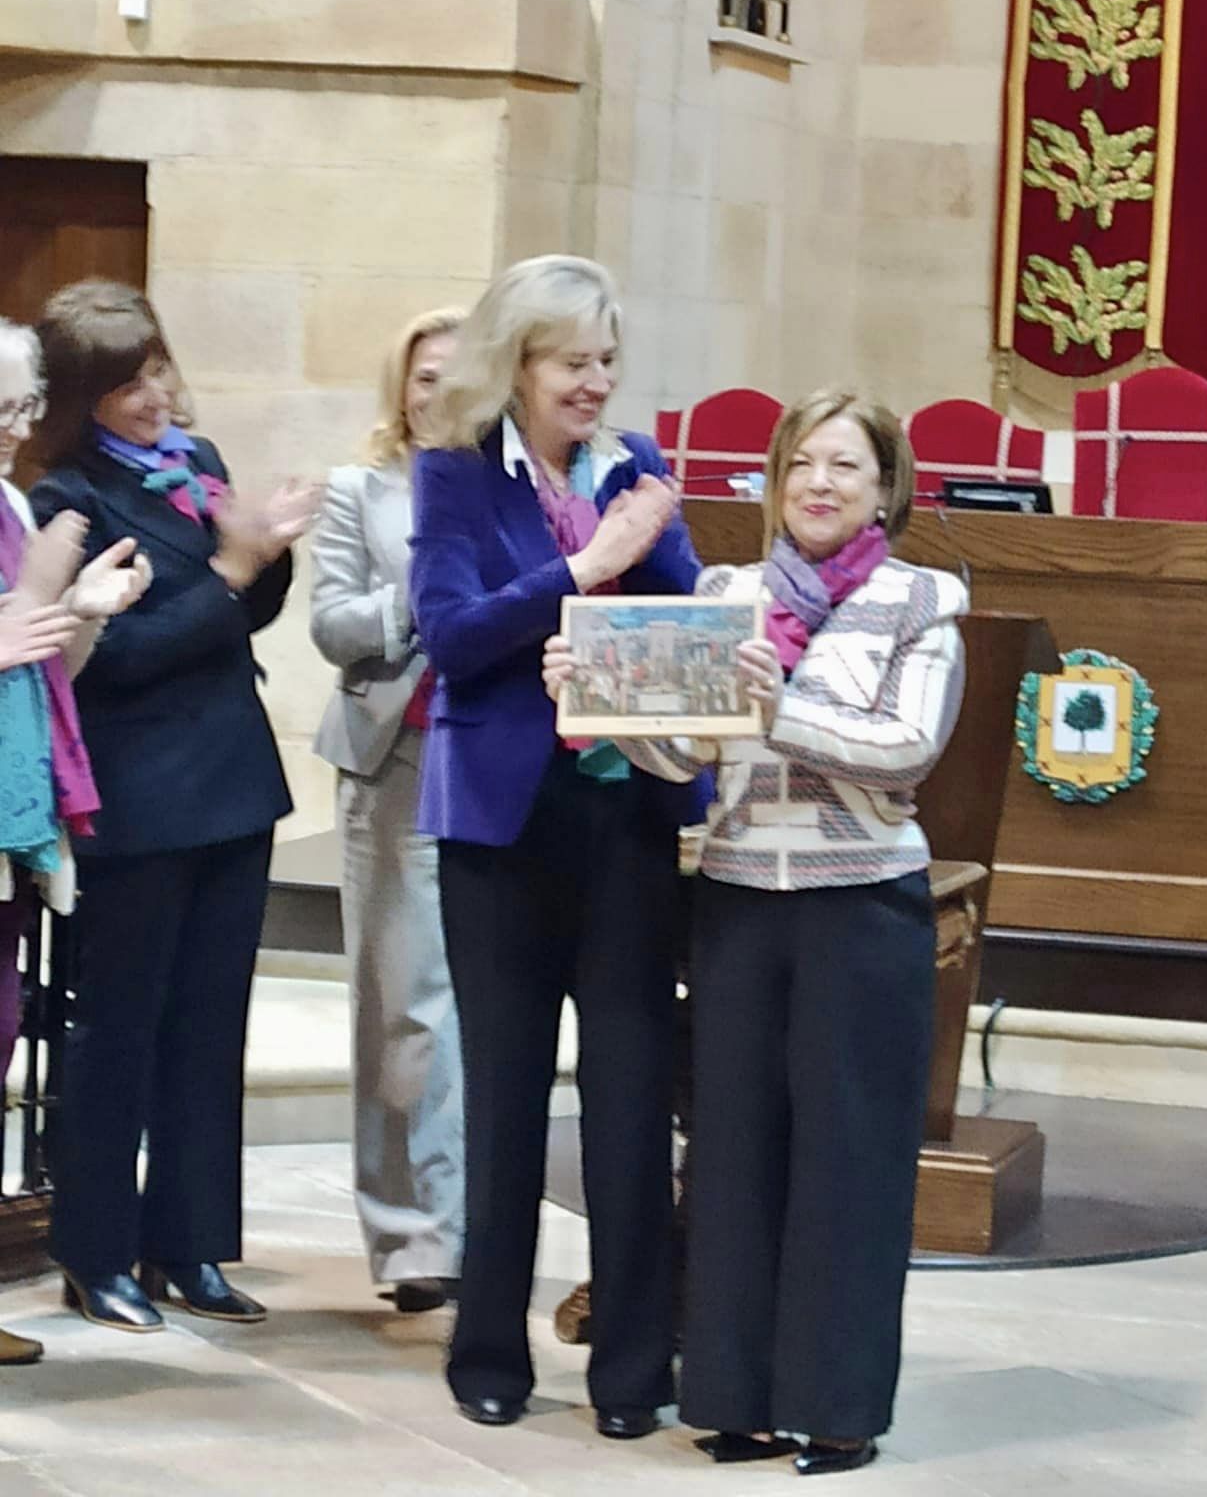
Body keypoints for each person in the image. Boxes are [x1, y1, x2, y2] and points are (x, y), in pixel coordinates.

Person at [548, 389, 967, 1476]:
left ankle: (835, 1408)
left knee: (850, 1163)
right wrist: (602, 706)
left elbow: (906, 748)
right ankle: (730, 1394)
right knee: (731, 1157)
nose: (819, 484)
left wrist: (776, 707)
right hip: (736, 899)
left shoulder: (921, 599)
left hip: (861, 906)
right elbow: (684, 756)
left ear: (886, 487)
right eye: (801, 466)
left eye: (845, 466)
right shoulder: (724, 592)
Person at [411, 254, 702, 1437]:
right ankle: (486, 1350)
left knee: (631, 1099)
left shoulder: (637, 472)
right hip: (503, 829)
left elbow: (688, 622)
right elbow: (455, 635)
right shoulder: (453, 476)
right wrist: (587, 563)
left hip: (626, 819)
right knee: (507, 1098)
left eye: (606, 361)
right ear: (518, 362)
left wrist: (656, 556)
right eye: (574, 360)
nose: (596, 382)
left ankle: (632, 1366)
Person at [28, 280, 317, 1334]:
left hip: (233, 784)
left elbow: (249, 612)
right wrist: (234, 568)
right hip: (137, 794)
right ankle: (97, 1250)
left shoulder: (196, 464)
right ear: (80, 396)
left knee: (209, 1025)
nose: (154, 395)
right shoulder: (70, 497)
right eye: (126, 384)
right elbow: (110, 661)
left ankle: (188, 1242)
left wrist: (265, 554)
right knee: (121, 1027)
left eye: (155, 369)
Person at [0, 318, 150, 1368]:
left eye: (21, 407)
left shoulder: (12, 503)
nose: (15, 432)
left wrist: (84, 607)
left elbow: (49, 662)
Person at [311, 306, 465, 1315]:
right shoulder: (359, 488)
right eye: (422, 378)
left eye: (458, 377)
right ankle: (414, 1237)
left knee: (478, 1009)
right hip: (398, 754)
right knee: (404, 1007)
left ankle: (478, 1221)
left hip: (499, 758)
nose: (438, 395)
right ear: (398, 389)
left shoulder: (514, 486)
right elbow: (331, 621)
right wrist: (420, 597)